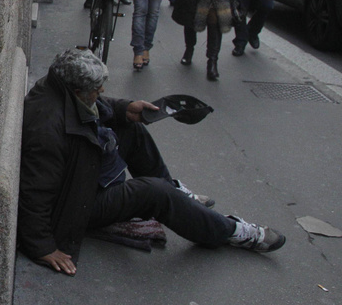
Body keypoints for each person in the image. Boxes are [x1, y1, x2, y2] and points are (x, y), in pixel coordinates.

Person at [18, 49, 286, 276]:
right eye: (96, 91)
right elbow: (35, 193)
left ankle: (176, 193)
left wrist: (126, 108)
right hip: (77, 203)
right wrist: (42, 247)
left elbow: (97, 104)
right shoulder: (47, 129)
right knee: (154, 192)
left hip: (83, 173)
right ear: (78, 91)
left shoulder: (60, 84)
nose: (101, 94)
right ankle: (232, 231)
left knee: (131, 127)